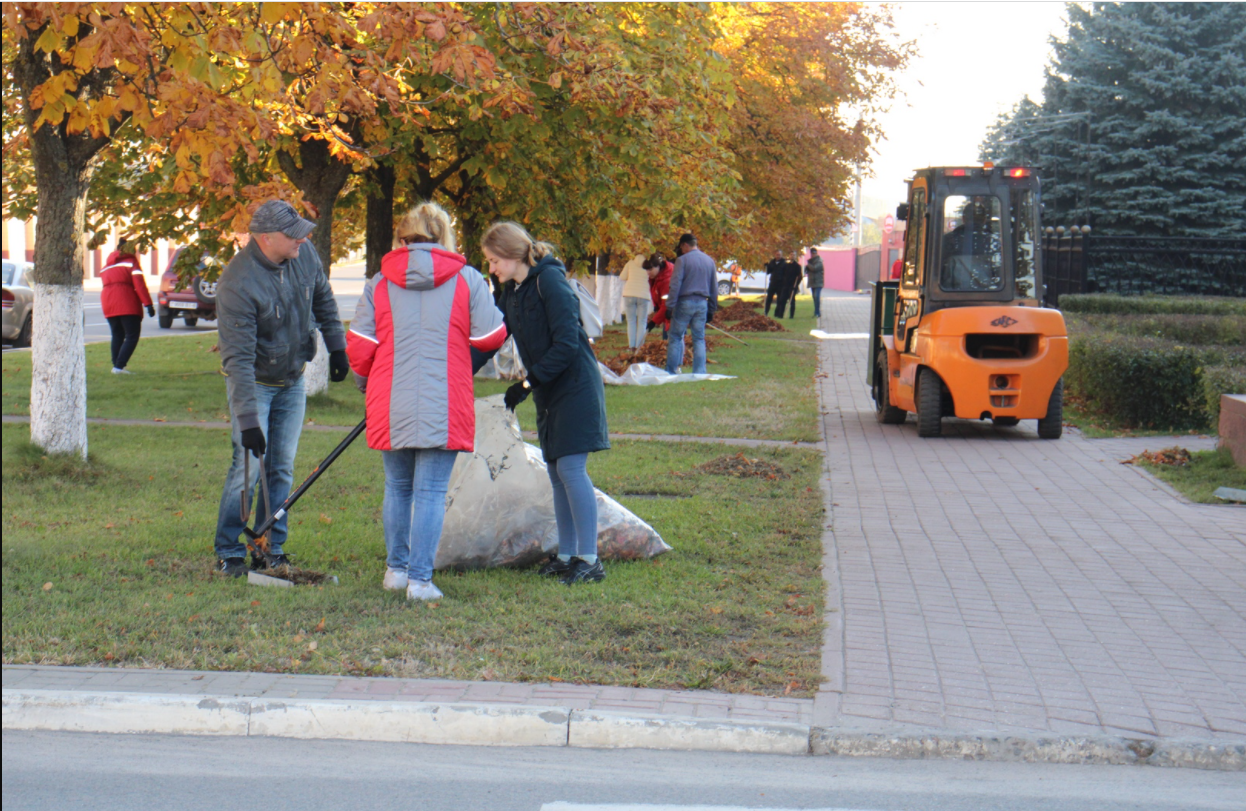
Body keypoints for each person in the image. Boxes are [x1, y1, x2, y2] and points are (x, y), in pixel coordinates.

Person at [347, 202, 507, 601]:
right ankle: (420, 579)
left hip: (390, 395)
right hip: (445, 393)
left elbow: (360, 345)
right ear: (444, 237)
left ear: (402, 238)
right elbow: (491, 336)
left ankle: (396, 570)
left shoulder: (379, 282)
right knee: (431, 491)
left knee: (397, 486)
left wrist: (366, 381)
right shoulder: (468, 280)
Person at [212, 200, 349, 578]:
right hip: (254, 384)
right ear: (266, 238)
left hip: (292, 380)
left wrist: (337, 346)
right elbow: (236, 360)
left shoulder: (303, 256)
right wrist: (248, 420)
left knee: (281, 469)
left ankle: (272, 548)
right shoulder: (237, 283)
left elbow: (322, 297)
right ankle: (229, 551)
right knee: (247, 469)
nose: (304, 240)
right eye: (295, 235)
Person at [478, 221, 610, 585]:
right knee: (555, 472)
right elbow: (495, 335)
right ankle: (568, 555)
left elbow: (567, 344)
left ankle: (589, 560)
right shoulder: (514, 290)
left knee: (570, 469)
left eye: (493, 261)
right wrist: (460, 367)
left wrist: (526, 383)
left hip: (574, 386)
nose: (491, 268)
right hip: (548, 388)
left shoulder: (549, 281)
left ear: (510, 254)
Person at [664, 233, 718, 375]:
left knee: (675, 336)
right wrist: (711, 309)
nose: (681, 251)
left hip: (685, 302)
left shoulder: (682, 261)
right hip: (702, 303)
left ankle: (671, 371)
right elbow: (714, 287)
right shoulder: (709, 261)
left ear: (685, 245)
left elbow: (675, 285)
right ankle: (699, 372)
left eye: (681, 248)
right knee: (699, 338)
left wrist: (670, 306)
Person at [99, 237, 154, 374]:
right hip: (126, 302)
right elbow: (139, 285)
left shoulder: (105, 267)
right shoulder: (131, 262)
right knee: (132, 335)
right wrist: (148, 304)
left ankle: (116, 366)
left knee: (117, 335)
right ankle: (119, 366)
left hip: (108, 302)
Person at [619, 254, 651, 351]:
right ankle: (639, 347)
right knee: (642, 321)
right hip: (643, 295)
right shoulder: (648, 264)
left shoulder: (630, 263)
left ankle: (631, 345)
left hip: (629, 294)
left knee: (631, 321)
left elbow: (622, 277)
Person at [645, 253, 673, 340]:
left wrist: (653, 322)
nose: (648, 272)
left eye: (650, 269)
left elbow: (666, 305)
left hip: (673, 313)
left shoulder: (666, 280)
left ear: (658, 266)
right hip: (667, 314)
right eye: (646, 270)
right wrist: (656, 307)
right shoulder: (655, 278)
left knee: (673, 339)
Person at [763, 250, 784, 316]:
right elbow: (768, 271)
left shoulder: (784, 263)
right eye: (777, 254)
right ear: (775, 255)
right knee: (769, 298)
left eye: (779, 254)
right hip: (772, 283)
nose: (778, 256)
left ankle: (777, 313)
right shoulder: (772, 262)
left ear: (781, 255)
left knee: (779, 299)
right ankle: (766, 312)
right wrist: (766, 266)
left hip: (780, 283)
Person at [805, 248, 825, 318]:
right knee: (814, 297)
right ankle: (816, 312)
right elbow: (808, 271)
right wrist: (806, 268)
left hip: (818, 282)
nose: (813, 255)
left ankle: (817, 313)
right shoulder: (810, 262)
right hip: (812, 282)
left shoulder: (819, 261)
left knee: (816, 296)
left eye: (814, 253)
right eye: (812, 253)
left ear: (816, 253)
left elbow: (814, 268)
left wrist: (808, 265)